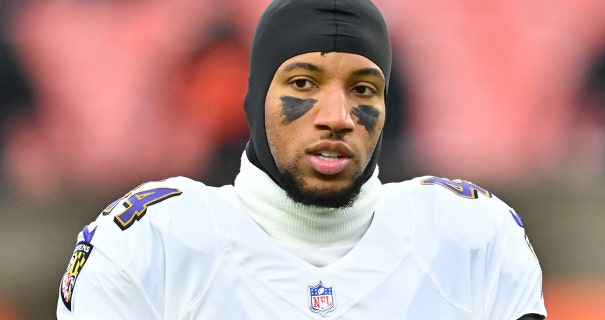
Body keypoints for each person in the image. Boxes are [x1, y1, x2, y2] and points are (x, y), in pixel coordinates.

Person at [56, 0, 546, 318]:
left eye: (362, 88)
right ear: (254, 101)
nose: (337, 117)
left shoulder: (471, 239)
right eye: (303, 83)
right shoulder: (149, 245)